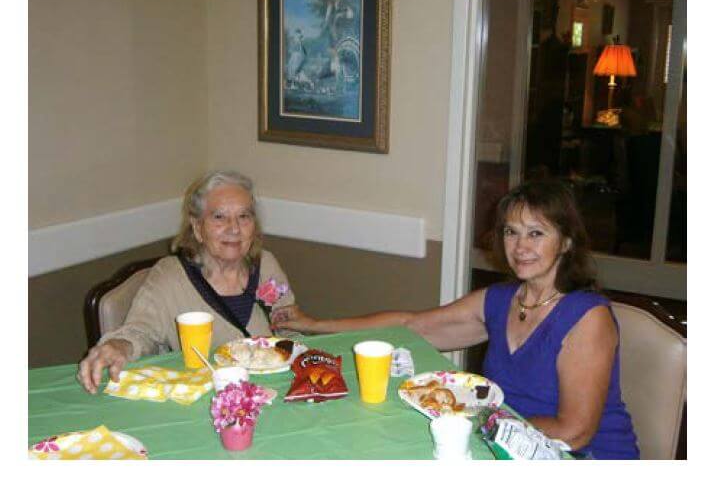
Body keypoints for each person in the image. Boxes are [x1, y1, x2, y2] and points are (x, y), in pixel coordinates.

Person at [272, 179, 639, 459]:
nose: (520, 247)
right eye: (511, 232)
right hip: (505, 445)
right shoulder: (500, 301)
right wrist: (314, 324)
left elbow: (574, 431)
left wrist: (477, 424)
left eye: (536, 233)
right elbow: (409, 326)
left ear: (567, 242)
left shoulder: (586, 317)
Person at [77, 170, 296, 394]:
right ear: (197, 227)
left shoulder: (266, 265)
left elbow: (291, 333)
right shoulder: (170, 276)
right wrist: (118, 346)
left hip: (270, 396)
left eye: (244, 216)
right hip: (198, 403)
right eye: (219, 217)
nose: (234, 228)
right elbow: (141, 331)